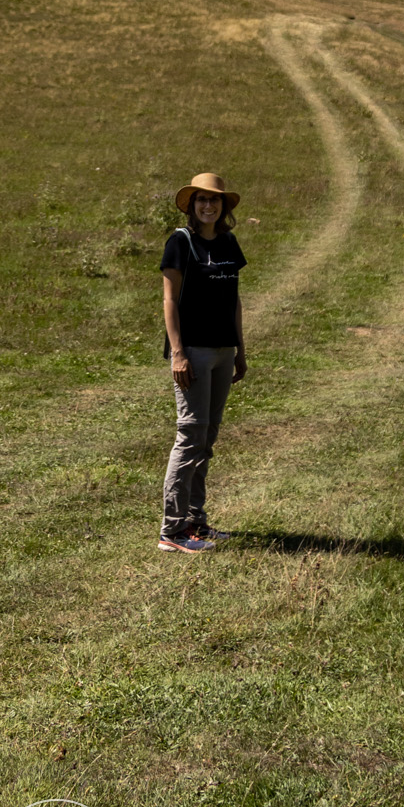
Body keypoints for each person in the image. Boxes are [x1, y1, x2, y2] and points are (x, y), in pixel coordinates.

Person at [158, 172, 247, 553]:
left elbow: (234, 301)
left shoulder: (228, 243)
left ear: (223, 206)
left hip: (223, 352)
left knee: (207, 438)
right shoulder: (180, 243)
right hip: (192, 353)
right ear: (192, 206)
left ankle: (196, 521)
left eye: (215, 200)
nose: (208, 206)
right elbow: (169, 301)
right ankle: (172, 531)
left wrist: (241, 350)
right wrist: (177, 353)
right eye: (201, 200)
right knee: (191, 436)